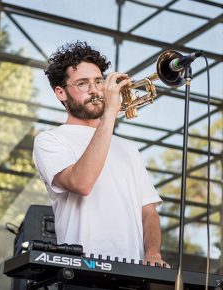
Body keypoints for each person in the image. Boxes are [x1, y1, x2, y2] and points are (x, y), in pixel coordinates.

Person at [33, 41, 166, 267]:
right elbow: (81, 183)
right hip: (83, 267)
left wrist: (153, 253)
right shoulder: (50, 140)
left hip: (132, 271)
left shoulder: (127, 148)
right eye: (83, 84)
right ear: (60, 93)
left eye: (98, 81)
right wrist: (110, 116)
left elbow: (148, 211)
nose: (95, 90)